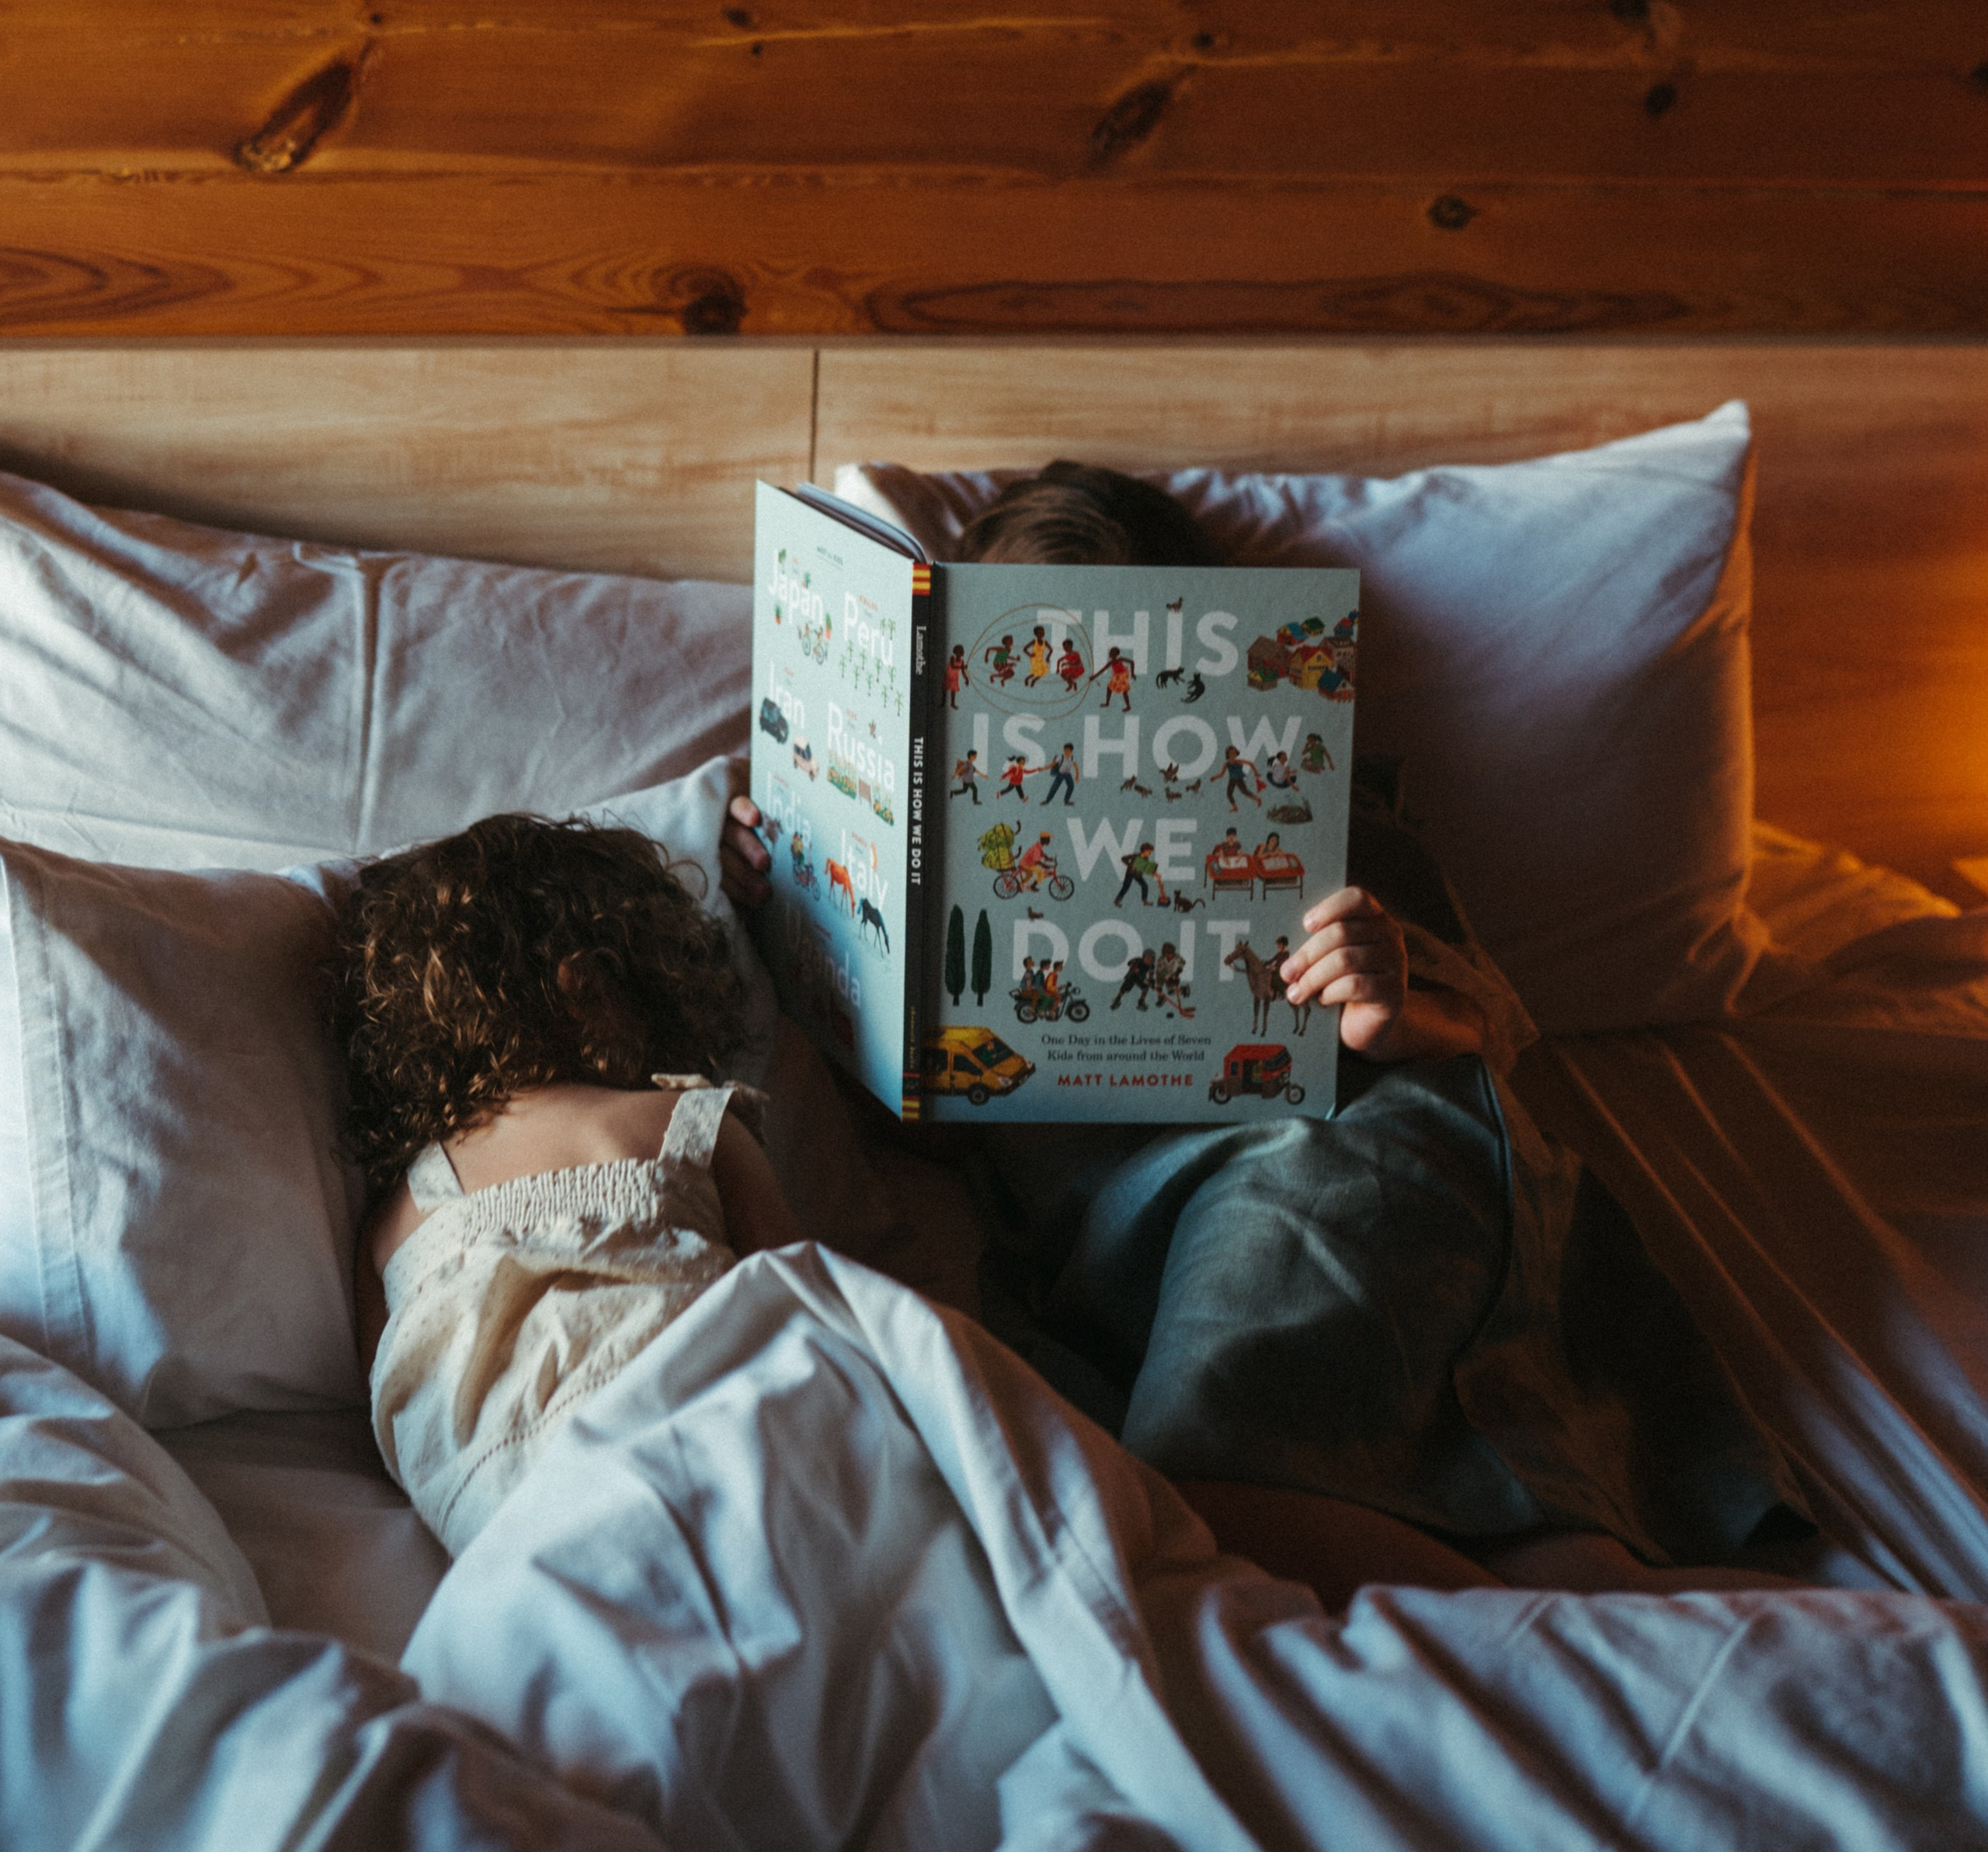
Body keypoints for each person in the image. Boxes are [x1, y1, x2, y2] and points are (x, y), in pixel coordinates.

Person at [721, 460, 1808, 1597]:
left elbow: (1491, 1026)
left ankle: (1557, 1623)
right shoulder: (955, 851)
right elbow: (935, 1130)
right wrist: (805, 910)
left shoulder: (1309, 811)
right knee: (1212, 1499)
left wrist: (1393, 1011)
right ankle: (1557, 1596)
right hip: (1117, 1232)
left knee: (1199, 1511)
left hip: (1334, 1141)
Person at [329, 815, 798, 1558]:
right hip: (703, 1426)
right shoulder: (686, 1118)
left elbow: (386, 1408)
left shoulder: (397, 1216)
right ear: (584, 982)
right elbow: (808, 1309)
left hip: (513, 1509)